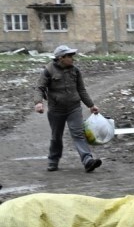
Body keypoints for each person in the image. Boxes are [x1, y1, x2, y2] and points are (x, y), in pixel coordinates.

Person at [35, 45, 102, 173]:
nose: (73, 59)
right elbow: (39, 88)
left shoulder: (75, 71)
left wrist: (91, 105)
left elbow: (81, 90)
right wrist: (38, 102)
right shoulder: (48, 70)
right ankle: (53, 161)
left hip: (74, 108)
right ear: (61, 58)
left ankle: (88, 161)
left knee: (78, 133)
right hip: (56, 110)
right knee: (56, 137)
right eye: (70, 56)